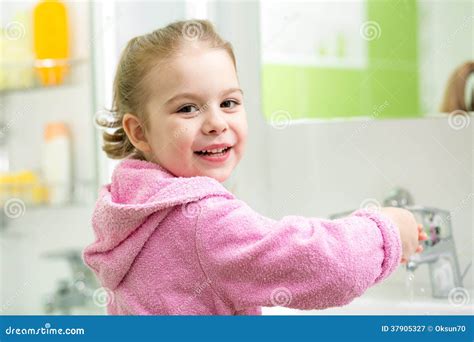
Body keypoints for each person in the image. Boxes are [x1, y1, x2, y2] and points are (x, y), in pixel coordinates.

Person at [83, 20, 426, 315]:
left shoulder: (129, 214)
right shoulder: (201, 220)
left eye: (229, 102)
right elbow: (330, 267)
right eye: (188, 109)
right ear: (139, 131)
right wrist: (387, 231)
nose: (216, 122)